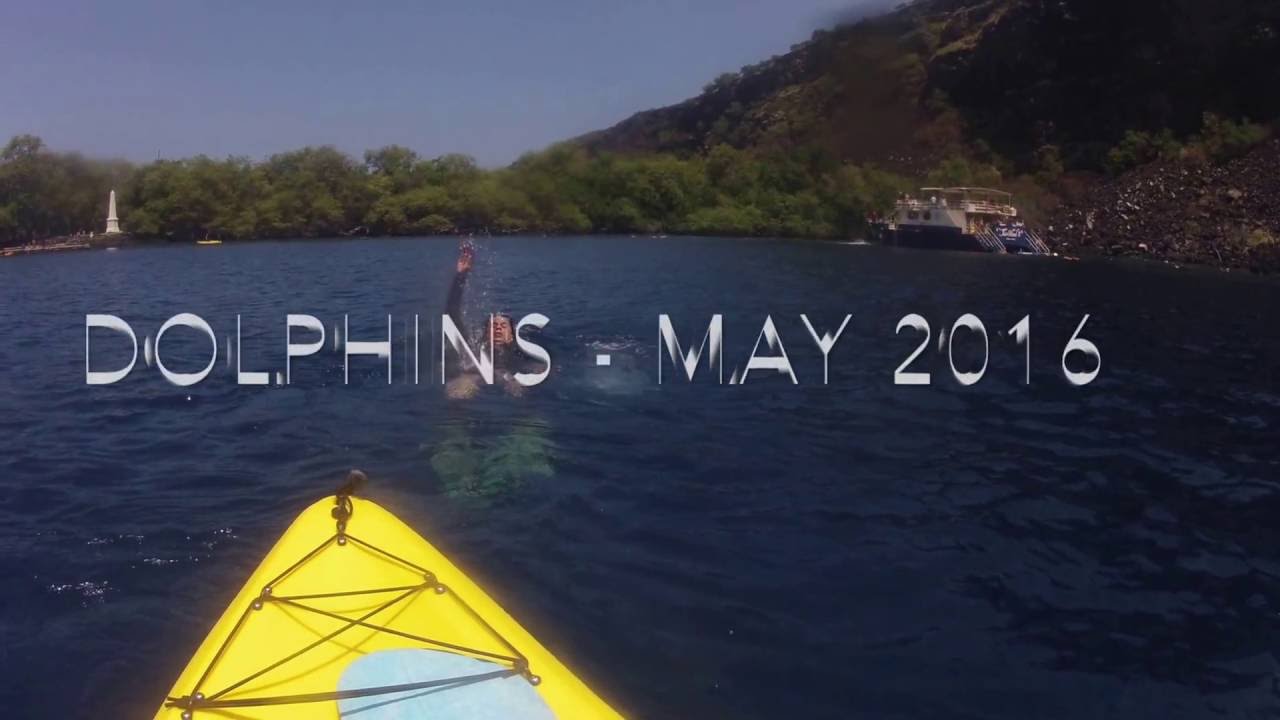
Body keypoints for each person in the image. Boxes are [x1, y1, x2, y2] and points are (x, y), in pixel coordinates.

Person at [442, 242, 538, 399]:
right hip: (474, 375)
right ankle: (454, 421)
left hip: (509, 375)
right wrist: (461, 276)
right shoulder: (474, 346)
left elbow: (541, 364)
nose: (498, 328)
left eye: (503, 326)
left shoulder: (522, 349)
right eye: (493, 326)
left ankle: (528, 420)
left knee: (521, 389)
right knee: (459, 391)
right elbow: (450, 316)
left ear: (512, 334)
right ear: (486, 333)